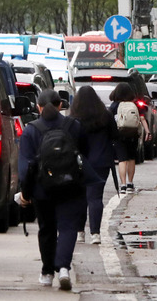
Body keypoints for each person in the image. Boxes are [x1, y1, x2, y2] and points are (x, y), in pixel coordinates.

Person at [17, 89, 102, 291]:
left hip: (42, 189)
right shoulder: (74, 126)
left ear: (38, 107)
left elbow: (26, 166)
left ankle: (47, 272)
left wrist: (26, 193)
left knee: (46, 228)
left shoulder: (31, 130)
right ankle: (63, 267)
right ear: (60, 106)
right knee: (67, 227)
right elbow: (84, 153)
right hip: (71, 185)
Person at [69, 86, 118, 245]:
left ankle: (79, 232)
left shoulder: (74, 119)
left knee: (79, 197)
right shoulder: (106, 115)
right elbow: (114, 136)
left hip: (80, 162)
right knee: (95, 197)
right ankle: (95, 233)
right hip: (102, 161)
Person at [109, 83, 151, 194]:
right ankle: (130, 183)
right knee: (131, 158)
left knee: (122, 160)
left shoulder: (114, 106)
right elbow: (142, 119)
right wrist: (147, 131)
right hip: (133, 134)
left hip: (118, 135)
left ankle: (122, 185)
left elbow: (110, 121)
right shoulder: (135, 105)